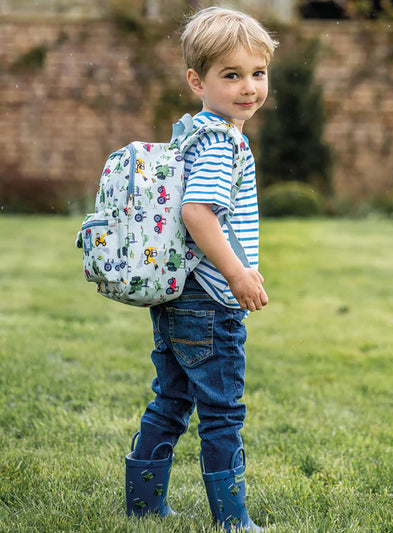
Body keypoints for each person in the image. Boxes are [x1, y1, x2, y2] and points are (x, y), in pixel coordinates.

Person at [124, 7, 278, 531]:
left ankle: (143, 507)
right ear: (198, 80)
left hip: (178, 295)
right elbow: (197, 213)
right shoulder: (222, 142)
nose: (248, 88)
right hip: (209, 302)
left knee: (170, 400)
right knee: (222, 413)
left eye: (257, 73)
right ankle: (233, 520)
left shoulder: (195, 132)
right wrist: (236, 274)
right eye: (231, 75)